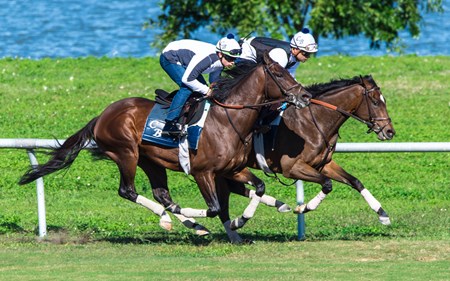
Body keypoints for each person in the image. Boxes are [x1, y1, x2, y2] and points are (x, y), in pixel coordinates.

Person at [159, 34, 242, 136]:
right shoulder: (208, 58)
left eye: (235, 59)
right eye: (230, 58)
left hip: (185, 59)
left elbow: (213, 80)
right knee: (188, 88)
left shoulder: (220, 61)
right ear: (220, 54)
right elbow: (188, 80)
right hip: (170, 57)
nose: (232, 62)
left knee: (200, 87)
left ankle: (190, 117)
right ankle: (169, 124)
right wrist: (207, 91)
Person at [239, 28, 318, 78]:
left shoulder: (295, 60)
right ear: (295, 49)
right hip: (248, 50)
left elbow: (290, 77)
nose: (308, 57)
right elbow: (270, 77)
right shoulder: (281, 56)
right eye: (306, 53)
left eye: (309, 54)